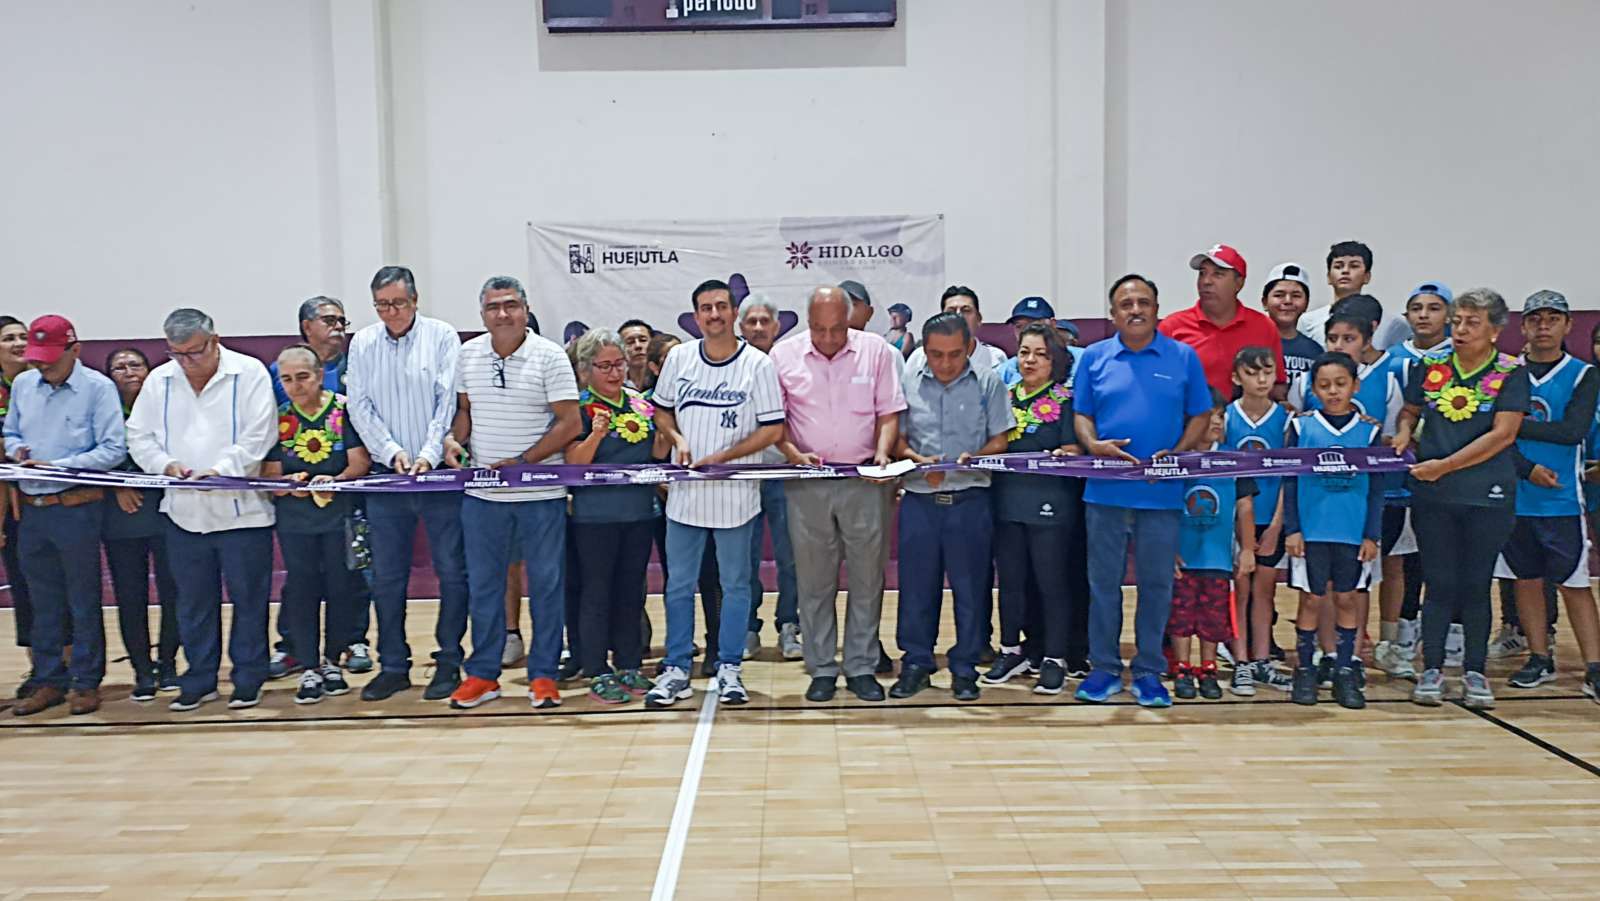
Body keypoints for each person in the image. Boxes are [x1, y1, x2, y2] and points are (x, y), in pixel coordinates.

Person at [126, 309, 278, 712]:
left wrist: (221, 471)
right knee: (192, 602)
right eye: (178, 353)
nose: (187, 361)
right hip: (182, 511)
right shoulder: (159, 380)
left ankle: (247, 679)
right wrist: (164, 466)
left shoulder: (249, 372)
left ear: (214, 341)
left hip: (243, 512)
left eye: (194, 352)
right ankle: (199, 679)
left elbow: (259, 434)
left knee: (248, 600)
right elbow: (138, 436)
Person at [441, 276, 581, 710]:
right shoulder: (467, 355)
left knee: (546, 585)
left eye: (511, 305)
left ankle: (543, 675)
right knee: (484, 586)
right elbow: (465, 411)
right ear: (481, 314)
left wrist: (524, 462)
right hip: (483, 497)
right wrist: (454, 441)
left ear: (525, 308)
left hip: (541, 495)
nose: (503, 314)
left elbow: (570, 423)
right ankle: (483, 675)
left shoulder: (550, 356)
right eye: (493, 307)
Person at [1073, 274, 1213, 708]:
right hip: (1105, 492)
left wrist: (1179, 453)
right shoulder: (1094, 358)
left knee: (1156, 585)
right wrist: (1094, 445)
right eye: (1126, 304)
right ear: (1113, 313)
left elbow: (1200, 415)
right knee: (1103, 585)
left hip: (1162, 493)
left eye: (1144, 302)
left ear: (1157, 308)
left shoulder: (1183, 357)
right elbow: (1082, 416)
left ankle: (1150, 670)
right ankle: (1105, 668)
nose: (1135, 310)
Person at [645, 279, 785, 709]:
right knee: (679, 585)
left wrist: (725, 455)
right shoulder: (681, 359)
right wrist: (676, 439)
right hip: (686, 495)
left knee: (736, 585)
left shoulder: (758, 364)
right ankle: (676, 669)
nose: (714, 315)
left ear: (733, 311)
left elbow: (773, 428)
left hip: (736, 495)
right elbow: (661, 410)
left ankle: (729, 668)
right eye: (706, 308)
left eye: (721, 306)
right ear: (696, 315)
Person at [1392, 288, 1528, 709]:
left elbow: (1503, 434)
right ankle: (1431, 668)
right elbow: (1411, 410)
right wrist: (1402, 430)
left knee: (1475, 583)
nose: (1461, 329)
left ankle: (1474, 672)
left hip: (1487, 494)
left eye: (1472, 322)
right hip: (1433, 494)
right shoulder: (1430, 365)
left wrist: (1445, 465)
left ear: (1495, 330)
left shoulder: (1510, 372)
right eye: (1457, 321)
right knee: (1439, 582)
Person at [771, 286, 907, 703]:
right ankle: (822, 667)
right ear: (807, 321)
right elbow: (776, 420)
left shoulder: (876, 351)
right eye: (819, 329)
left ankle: (862, 665)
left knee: (868, 578)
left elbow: (889, 412)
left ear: (850, 319)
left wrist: (883, 453)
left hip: (865, 481)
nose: (828, 338)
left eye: (836, 329)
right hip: (807, 482)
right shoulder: (783, 355)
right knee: (814, 581)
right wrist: (793, 453)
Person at [345, 265, 469, 703]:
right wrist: (390, 450)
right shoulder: (362, 343)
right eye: (382, 305)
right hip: (387, 478)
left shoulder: (442, 336)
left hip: (436, 476)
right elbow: (358, 406)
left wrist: (427, 455)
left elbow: (446, 401)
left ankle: (449, 659)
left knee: (452, 572)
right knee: (386, 577)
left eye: (398, 303)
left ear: (415, 301)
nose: (390, 312)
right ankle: (393, 665)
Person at [3, 315, 125, 716]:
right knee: (41, 601)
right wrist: (20, 452)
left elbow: (111, 450)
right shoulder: (23, 384)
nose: (40, 365)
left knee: (83, 599)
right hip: (32, 510)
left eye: (50, 359)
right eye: (37, 359)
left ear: (75, 349)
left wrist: (58, 465)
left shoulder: (99, 389)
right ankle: (47, 678)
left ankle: (87, 681)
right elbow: (12, 433)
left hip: (75, 508)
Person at [892, 312, 1013, 702]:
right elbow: (896, 440)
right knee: (915, 588)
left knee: (972, 588)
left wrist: (976, 456)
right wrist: (912, 459)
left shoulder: (988, 382)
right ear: (924, 350)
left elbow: (1001, 439)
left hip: (970, 501)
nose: (945, 364)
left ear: (968, 348)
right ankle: (916, 663)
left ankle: (965, 667)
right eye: (936, 354)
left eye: (955, 355)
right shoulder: (906, 381)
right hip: (920, 503)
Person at [1492, 291, 1600, 700]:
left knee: (1574, 583)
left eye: (1552, 318)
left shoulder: (1583, 375)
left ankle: (1594, 665)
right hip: (1513, 493)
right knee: (1527, 581)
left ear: (1568, 325)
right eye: (1535, 318)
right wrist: (1525, 466)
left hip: (1561, 498)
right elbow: (1492, 435)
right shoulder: (1506, 372)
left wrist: (1511, 426)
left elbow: (1571, 431)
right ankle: (1539, 656)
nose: (1543, 325)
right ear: (1523, 326)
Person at [265, 295, 371, 678]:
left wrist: (338, 480)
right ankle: (301, 656)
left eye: (303, 377)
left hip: (342, 512)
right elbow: (269, 472)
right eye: (287, 379)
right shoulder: (276, 409)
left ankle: (341, 652)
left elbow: (360, 460)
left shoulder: (347, 397)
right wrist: (284, 483)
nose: (295, 385)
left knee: (347, 581)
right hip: (296, 519)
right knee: (301, 586)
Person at [566, 328, 667, 704]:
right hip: (594, 519)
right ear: (586, 369)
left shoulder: (641, 404)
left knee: (631, 591)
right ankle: (595, 668)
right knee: (596, 592)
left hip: (639, 513)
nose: (613, 373)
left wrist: (668, 435)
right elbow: (574, 464)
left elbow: (656, 455)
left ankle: (629, 663)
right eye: (604, 366)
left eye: (618, 364)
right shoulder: (579, 407)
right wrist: (595, 435)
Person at [982, 321, 1082, 695]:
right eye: (1025, 352)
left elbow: (1075, 449)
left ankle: (1054, 657)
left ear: (1055, 359)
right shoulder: (1002, 396)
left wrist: (1065, 454)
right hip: (1006, 504)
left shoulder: (1065, 400)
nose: (1030, 360)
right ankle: (1011, 650)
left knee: (1051, 583)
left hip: (1051, 506)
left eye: (1040, 354)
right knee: (1009, 583)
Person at [1282, 353, 1385, 709]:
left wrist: (1372, 534)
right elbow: (1291, 480)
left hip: (1352, 532)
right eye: (1324, 385)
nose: (1333, 391)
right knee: (1311, 599)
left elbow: (1377, 489)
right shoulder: (1301, 427)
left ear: (1355, 386)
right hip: (1311, 531)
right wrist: (1292, 529)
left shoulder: (1370, 431)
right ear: (1313, 389)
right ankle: (1306, 670)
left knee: (1346, 599)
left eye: (1341, 383)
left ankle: (1344, 670)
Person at [1374, 282, 1455, 677]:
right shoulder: (1392, 359)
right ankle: (1401, 630)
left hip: (1447, 469)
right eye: (1416, 308)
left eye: (1434, 307)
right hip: (1396, 471)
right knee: (1399, 558)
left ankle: (1447, 630)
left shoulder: (1461, 358)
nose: (1424, 315)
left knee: (1439, 554)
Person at [102, 347, 181, 701]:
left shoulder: (165, 405)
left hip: (166, 508)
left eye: (136, 364)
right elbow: (94, 452)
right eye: (119, 367)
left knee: (174, 592)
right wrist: (118, 484)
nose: (128, 371)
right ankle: (141, 669)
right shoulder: (103, 409)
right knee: (130, 595)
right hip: (121, 514)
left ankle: (168, 662)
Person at [1171, 392, 1256, 701]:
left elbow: (1245, 507)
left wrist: (1247, 548)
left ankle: (1207, 668)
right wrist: (1167, 549)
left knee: (1213, 617)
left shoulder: (1233, 459)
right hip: (1183, 556)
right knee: (1181, 616)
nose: (1217, 421)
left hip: (1218, 557)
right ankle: (1183, 668)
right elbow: (1164, 508)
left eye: (1221, 415)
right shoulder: (1177, 460)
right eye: (1210, 415)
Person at [1223, 346, 1293, 695]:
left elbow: (1288, 475)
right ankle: (1240, 662)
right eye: (1252, 373)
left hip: (1270, 519)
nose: (1262, 379)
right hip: (1235, 521)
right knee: (1240, 591)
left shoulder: (1286, 420)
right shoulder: (1225, 418)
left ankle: (1263, 659)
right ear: (1237, 377)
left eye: (1267, 372)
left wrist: (1279, 524)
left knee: (1265, 591)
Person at [737, 294, 801, 661]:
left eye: (765, 321)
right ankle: (747, 627)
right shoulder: (732, 365)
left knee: (790, 557)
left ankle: (790, 626)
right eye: (752, 322)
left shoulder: (790, 364)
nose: (759, 328)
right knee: (742, 560)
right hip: (743, 475)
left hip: (784, 473)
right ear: (740, 327)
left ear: (777, 326)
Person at [1157, 243, 1286, 400]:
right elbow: (1157, 383)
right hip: (1189, 421)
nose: (1206, 281)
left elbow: (1277, 386)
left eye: (1218, 274)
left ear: (1239, 283)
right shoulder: (1172, 327)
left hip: (1246, 421)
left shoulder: (1264, 327)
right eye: (1202, 273)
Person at [0, 315, 38, 697]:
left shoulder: (40, 382)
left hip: (40, 502)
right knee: (23, 590)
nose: (17, 343)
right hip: (4, 508)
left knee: (48, 588)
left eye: (22, 337)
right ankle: (35, 668)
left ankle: (63, 668)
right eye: (8, 338)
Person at [1299, 241, 1411, 351]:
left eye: (1354, 266)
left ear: (1367, 276)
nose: (1345, 271)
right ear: (1328, 277)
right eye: (1338, 266)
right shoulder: (1308, 321)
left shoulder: (1393, 324)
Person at [902, 286, 1009, 375]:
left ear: (979, 319)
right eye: (951, 311)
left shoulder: (996, 358)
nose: (958, 316)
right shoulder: (919, 358)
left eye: (966, 310)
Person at [1260, 263, 1322, 390]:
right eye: (1279, 295)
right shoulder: (1251, 343)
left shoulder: (1315, 351)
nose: (1288, 301)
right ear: (1265, 302)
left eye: (1296, 296)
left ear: (1306, 304)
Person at [996, 296, 1056, 386]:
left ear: (1053, 325)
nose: (1027, 332)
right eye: (1019, 326)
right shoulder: (1006, 369)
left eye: (1035, 325)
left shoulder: (1079, 360)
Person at [619, 318, 654, 390]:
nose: (638, 346)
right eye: (630, 342)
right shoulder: (615, 384)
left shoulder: (666, 381)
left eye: (643, 340)